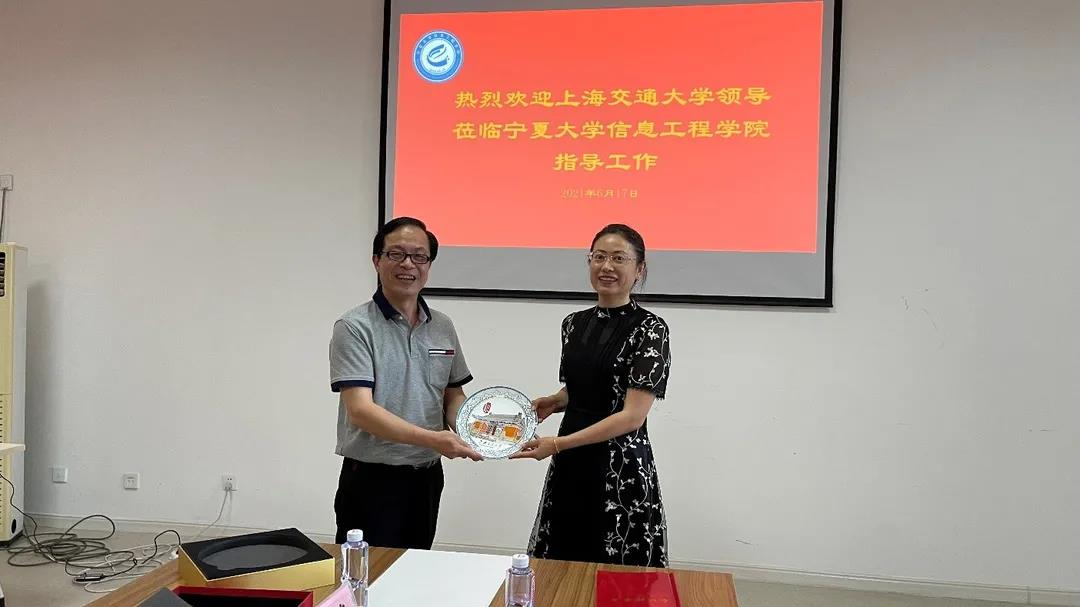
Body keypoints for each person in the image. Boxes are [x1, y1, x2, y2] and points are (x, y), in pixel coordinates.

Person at [511, 224, 673, 567]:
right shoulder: (573, 323)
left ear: (639, 269)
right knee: (563, 564)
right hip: (571, 459)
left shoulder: (651, 329)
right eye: (598, 257)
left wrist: (558, 444)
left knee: (617, 571)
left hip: (619, 465)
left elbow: (632, 416)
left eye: (619, 258)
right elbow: (587, 386)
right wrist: (556, 401)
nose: (606, 267)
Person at [329, 216, 482, 549]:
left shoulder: (442, 326)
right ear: (377, 261)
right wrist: (435, 439)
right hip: (372, 478)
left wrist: (479, 431)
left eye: (419, 256)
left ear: (429, 265)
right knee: (364, 572)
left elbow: (452, 395)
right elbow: (361, 411)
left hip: (426, 477)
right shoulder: (354, 326)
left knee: (416, 565)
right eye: (396, 254)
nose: (408, 264)